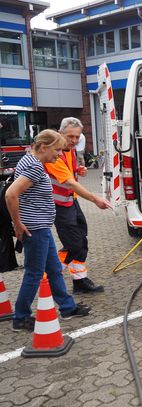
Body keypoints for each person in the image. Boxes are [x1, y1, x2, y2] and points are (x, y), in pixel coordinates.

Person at [5, 130, 91, 331]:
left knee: (53, 269)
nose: (60, 154)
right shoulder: (34, 167)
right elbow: (11, 195)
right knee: (34, 273)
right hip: (34, 229)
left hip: (41, 227)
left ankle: (68, 307)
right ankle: (21, 317)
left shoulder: (30, 160)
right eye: (57, 149)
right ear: (43, 147)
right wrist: (17, 224)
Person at [44, 117, 111, 294]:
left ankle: (80, 281)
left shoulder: (70, 150)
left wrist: (78, 170)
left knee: (82, 241)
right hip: (58, 206)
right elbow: (70, 183)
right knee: (73, 245)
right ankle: (47, 279)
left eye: (77, 137)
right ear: (60, 133)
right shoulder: (54, 155)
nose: (73, 140)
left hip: (70, 201)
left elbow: (70, 176)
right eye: (70, 136)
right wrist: (95, 199)